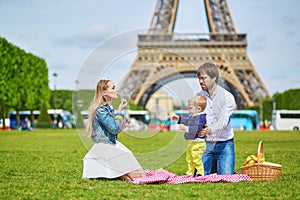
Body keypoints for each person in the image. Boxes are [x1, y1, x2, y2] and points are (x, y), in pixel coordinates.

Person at [82, 79, 146, 181]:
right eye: (113, 88)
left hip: (111, 144)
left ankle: (119, 175)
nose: (117, 90)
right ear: (104, 92)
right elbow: (114, 128)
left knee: (141, 175)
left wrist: (124, 125)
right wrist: (120, 111)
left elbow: (114, 132)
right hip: (105, 147)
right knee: (137, 177)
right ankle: (119, 175)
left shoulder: (108, 108)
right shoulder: (101, 109)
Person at [197, 62, 236, 175]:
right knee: (199, 177)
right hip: (206, 146)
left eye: (203, 78)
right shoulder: (198, 97)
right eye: (199, 78)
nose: (200, 81)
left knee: (226, 177)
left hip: (225, 144)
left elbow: (223, 122)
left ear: (214, 78)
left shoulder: (227, 97)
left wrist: (209, 129)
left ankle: (218, 166)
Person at [172, 94, 207, 176]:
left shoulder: (201, 118)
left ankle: (200, 173)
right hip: (192, 142)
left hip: (198, 143)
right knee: (189, 158)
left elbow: (195, 129)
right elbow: (188, 121)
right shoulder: (194, 116)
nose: (188, 110)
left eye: (190, 108)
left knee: (196, 159)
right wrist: (179, 119)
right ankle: (190, 172)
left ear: (199, 109)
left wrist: (185, 128)